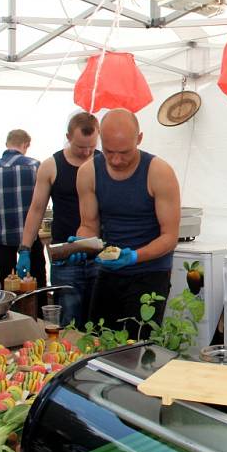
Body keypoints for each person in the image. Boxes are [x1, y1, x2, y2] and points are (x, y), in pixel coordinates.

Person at [75, 108, 181, 336]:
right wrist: (81, 244)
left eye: (124, 152)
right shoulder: (88, 172)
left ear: (139, 139)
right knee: (98, 341)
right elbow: (89, 225)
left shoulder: (159, 172)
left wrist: (133, 256)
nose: (116, 159)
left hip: (151, 272)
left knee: (139, 348)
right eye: (108, 151)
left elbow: (170, 237)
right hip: (109, 269)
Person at [16, 112, 100, 326]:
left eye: (91, 146)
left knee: (99, 319)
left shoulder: (104, 163)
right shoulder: (51, 165)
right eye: (81, 146)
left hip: (99, 253)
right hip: (65, 254)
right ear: (68, 137)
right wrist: (25, 249)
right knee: (69, 320)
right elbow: (36, 209)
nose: (87, 152)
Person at [0, 129, 47, 289]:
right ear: (26, 145)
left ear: (7, 144)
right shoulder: (36, 166)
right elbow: (44, 199)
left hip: (3, 238)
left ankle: (11, 314)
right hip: (30, 239)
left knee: (8, 286)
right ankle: (38, 313)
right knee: (38, 285)